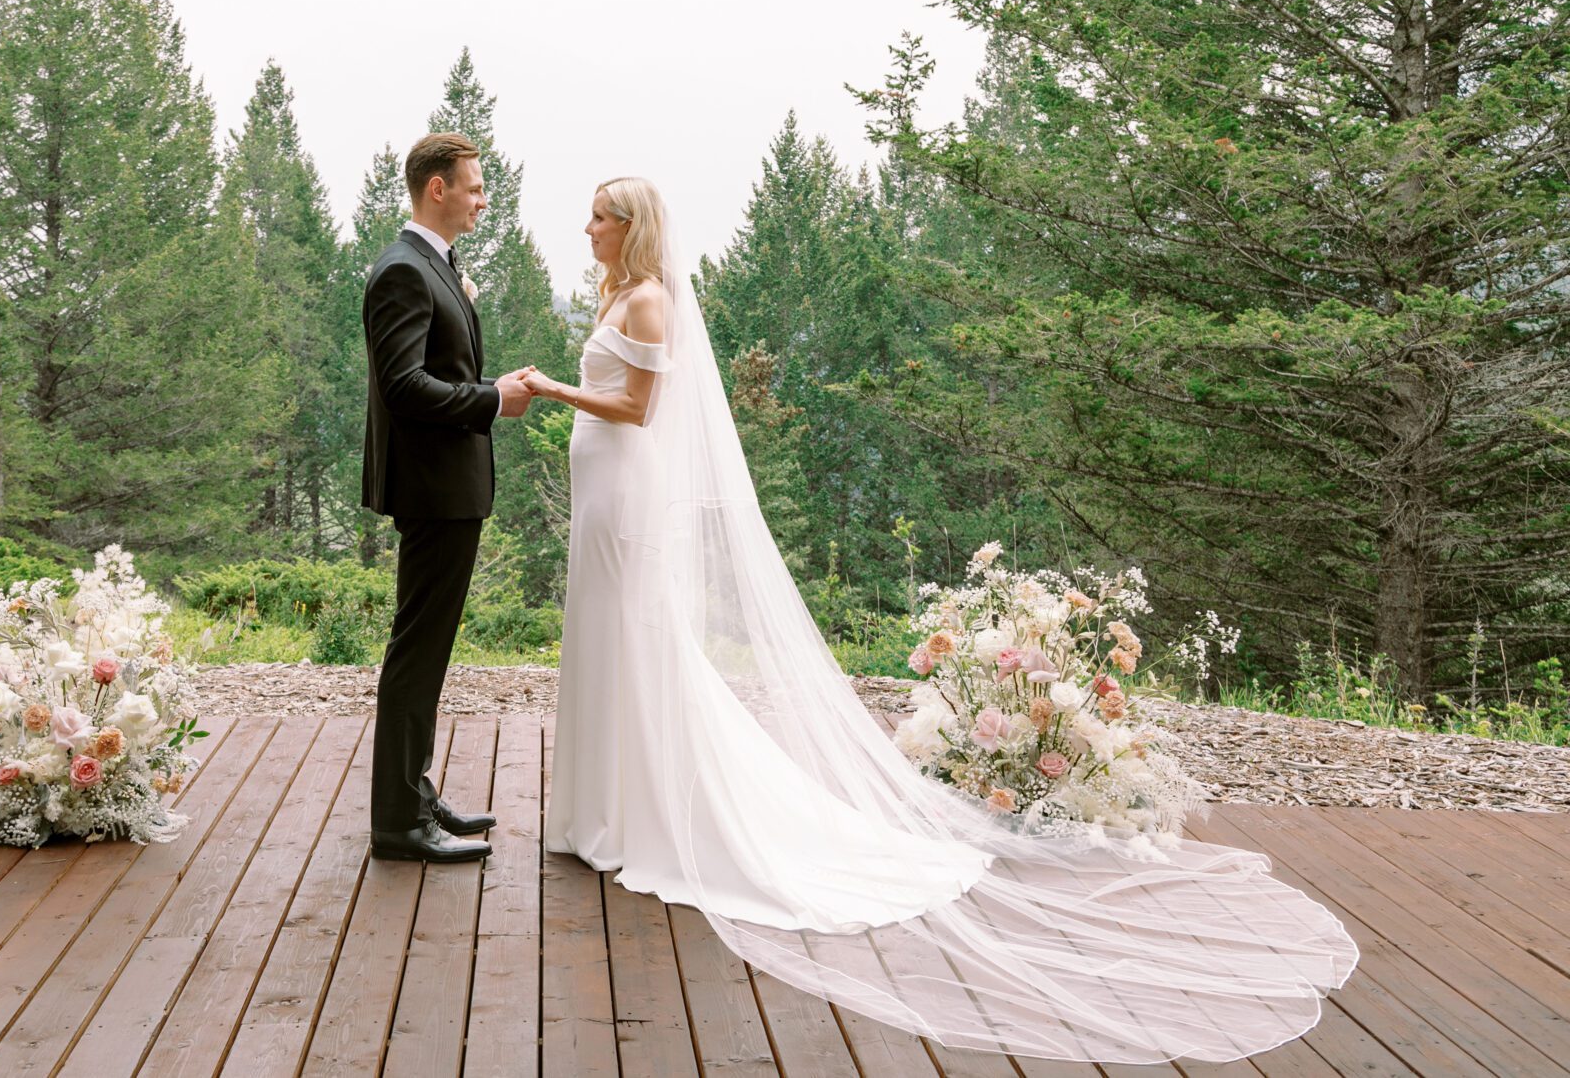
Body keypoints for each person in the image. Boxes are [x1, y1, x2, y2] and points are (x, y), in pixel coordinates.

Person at [514, 175, 1361, 1066]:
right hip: (601, 487)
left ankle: (641, 807)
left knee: (638, 642)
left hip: (625, 492)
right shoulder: (620, 294)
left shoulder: (649, 301)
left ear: (631, 225)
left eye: (600, 216)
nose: (588, 227)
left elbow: (640, 410)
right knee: (607, 638)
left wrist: (554, 389)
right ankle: (599, 809)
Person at [359, 131, 536, 863]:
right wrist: (493, 397)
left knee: (427, 652)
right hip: (433, 490)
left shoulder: (433, 263)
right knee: (416, 653)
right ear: (438, 188)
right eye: (474, 185)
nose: (483, 198)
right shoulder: (402, 270)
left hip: (447, 489)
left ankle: (415, 793)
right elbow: (403, 387)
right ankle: (397, 822)